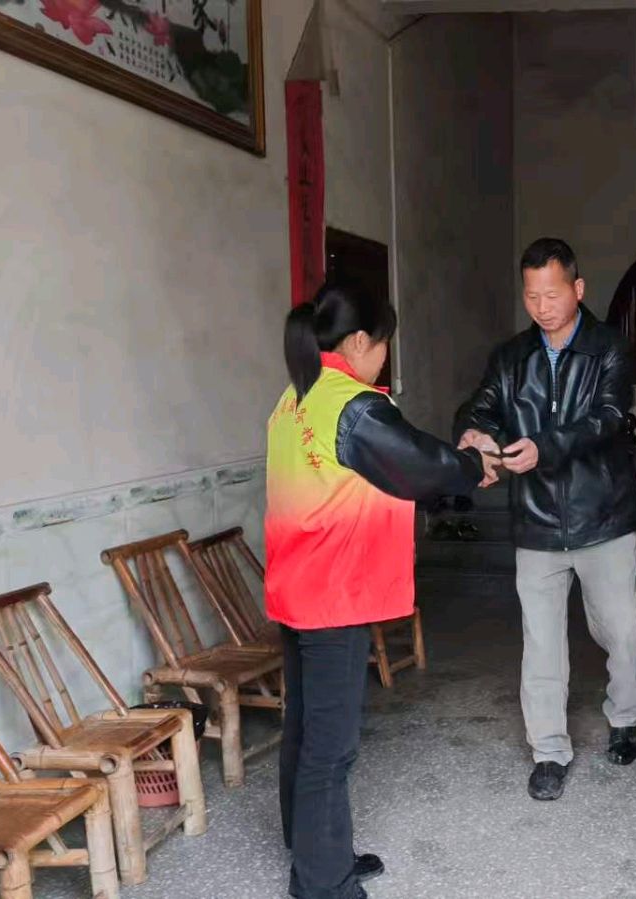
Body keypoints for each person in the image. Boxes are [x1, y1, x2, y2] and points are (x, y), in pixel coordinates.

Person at [266, 281, 497, 899]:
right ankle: (322, 884)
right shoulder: (353, 405)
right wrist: (472, 464)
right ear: (360, 341)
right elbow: (418, 464)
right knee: (330, 747)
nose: (384, 357)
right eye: (384, 344)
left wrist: (455, 463)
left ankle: (314, 852)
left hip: (298, 588)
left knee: (304, 729)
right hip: (332, 597)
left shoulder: (296, 397)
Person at [453, 237, 636, 801]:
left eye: (553, 294)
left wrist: (543, 446)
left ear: (578, 289)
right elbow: (479, 406)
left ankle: (625, 716)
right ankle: (548, 751)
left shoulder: (608, 349)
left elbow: (607, 418)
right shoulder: (511, 358)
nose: (542, 307)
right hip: (537, 521)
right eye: (532, 296)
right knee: (541, 643)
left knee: (622, 632)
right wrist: (473, 433)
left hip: (604, 517)